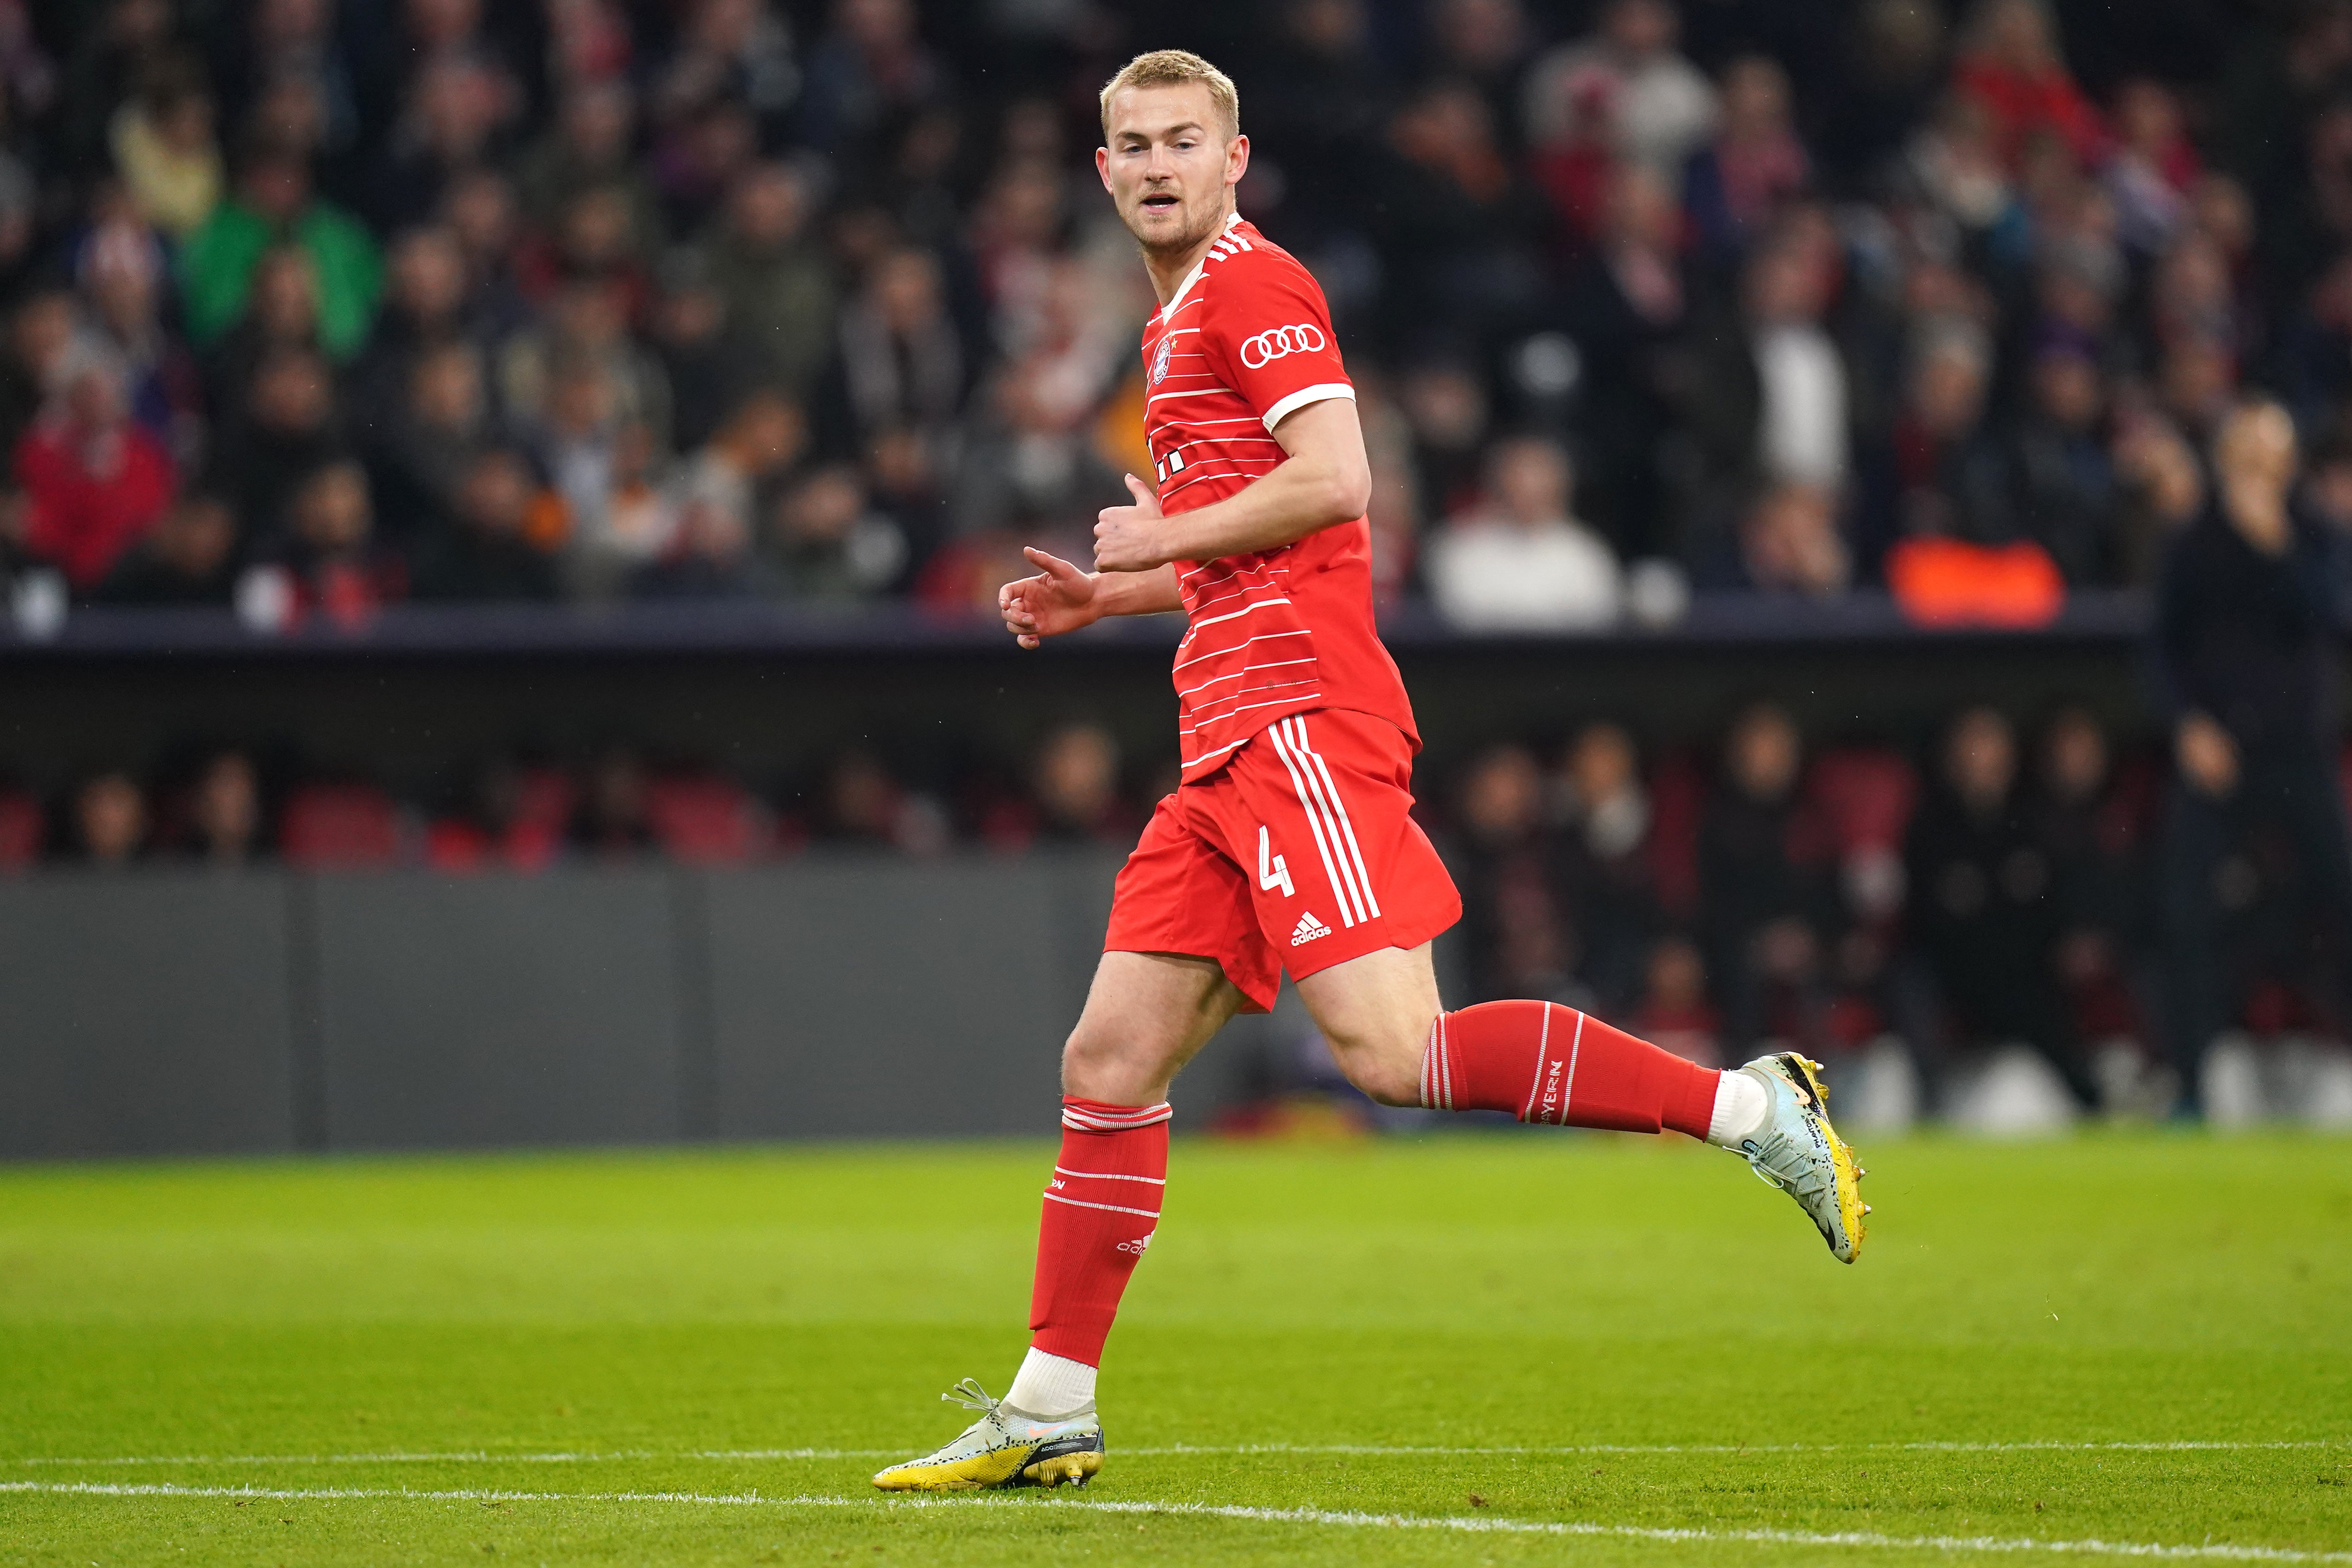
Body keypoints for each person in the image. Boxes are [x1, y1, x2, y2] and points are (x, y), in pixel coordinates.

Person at [872, 50, 1870, 1497]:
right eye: (1131, 144)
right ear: (1102, 172)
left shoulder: (1250, 286)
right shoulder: (1169, 327)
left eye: (1181, 142)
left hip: (1298, 721)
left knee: (1395, 1054)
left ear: (1234, 160)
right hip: (1219, 728)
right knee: (1107, 1060)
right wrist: (1123, 596)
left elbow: (1339, 480)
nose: (1155, 164)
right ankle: (1048, 1406)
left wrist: (1155, 543)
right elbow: (1255, 543)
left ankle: (1748, 1107)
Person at [2152, 396, 2352, 1105]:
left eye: (2273, 457)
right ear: (2224, 460)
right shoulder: (2192, 540)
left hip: (2296, 747)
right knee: (2186, 912)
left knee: (2342, 896)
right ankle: (2190, 1090)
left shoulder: (2314, 534)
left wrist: (2274, 542)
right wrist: (2187, 724)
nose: (2261, 470)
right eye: (2248, 455)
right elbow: (2163, 644)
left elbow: (2328, 614)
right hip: (2217, 750)